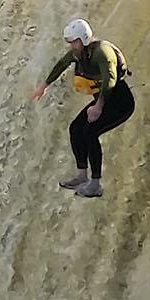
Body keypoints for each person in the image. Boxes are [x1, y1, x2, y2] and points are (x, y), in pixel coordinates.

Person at [30, 18, 134, 198]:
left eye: (73, 42)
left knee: (90, 132)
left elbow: (110, 79)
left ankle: (95, 184)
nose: (72, 46)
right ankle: (81, 175)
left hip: (120, 101)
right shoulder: (80, 53)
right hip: (104, 99)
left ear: (83, 39)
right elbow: (62, 64)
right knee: (76, 129)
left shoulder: (102, 52)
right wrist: (44, 85)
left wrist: (99, 106)